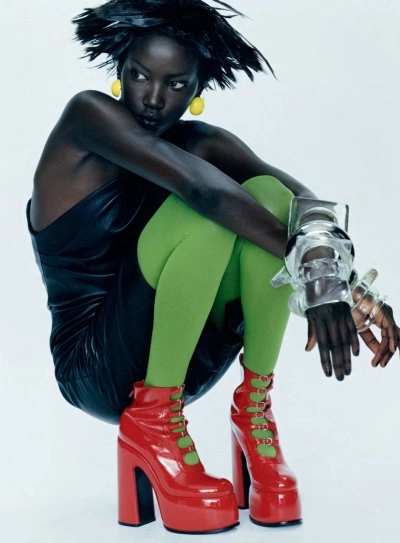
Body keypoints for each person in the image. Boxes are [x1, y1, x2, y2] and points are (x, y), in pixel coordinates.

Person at [27, 0, 400, 535]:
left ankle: (254, 410)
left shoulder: (202, 143)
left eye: (175, 84)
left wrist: (338, 284)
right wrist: (316, 280)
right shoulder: (87, 118)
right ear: (119, 72)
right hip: (96, 367)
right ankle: (152, 424)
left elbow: (302, 203)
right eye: (139, 76)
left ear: (197, 89)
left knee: (269, 196)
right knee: (209, 214)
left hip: (190, 359)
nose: (153, 98)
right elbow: (202, 192)